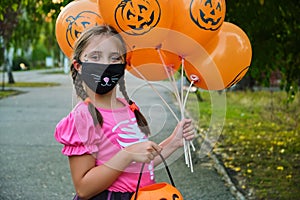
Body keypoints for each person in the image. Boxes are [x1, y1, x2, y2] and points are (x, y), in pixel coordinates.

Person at [54, 25, 195, 200]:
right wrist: (127, 155)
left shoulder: (127, 107)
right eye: (95, 57)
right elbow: (84, 188)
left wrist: (174, 141)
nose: (105, 65)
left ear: (123, 66)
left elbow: (141, 163)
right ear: (79, 66)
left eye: (114, 58)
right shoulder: (84, 117)